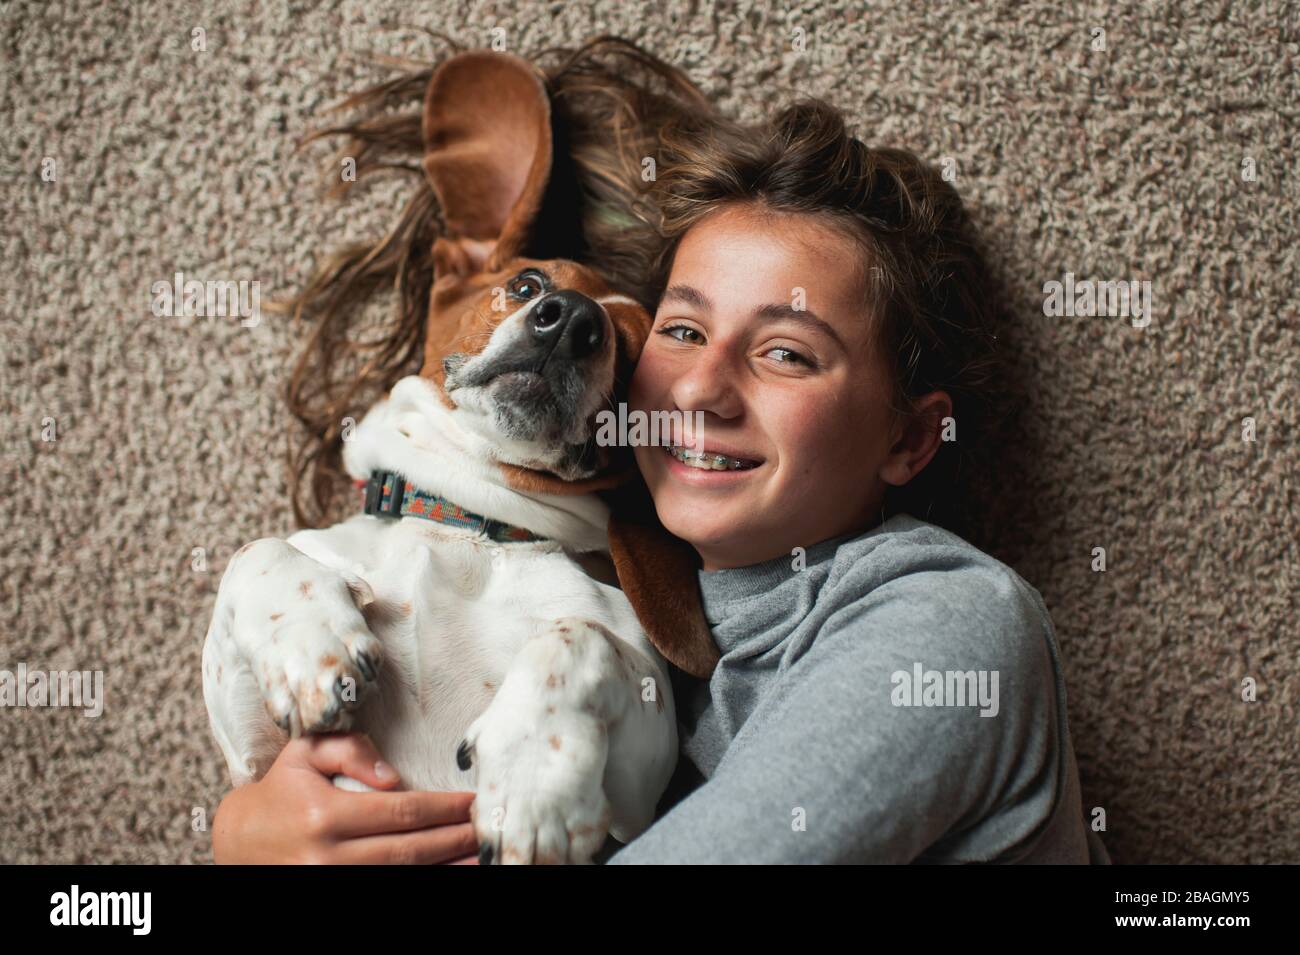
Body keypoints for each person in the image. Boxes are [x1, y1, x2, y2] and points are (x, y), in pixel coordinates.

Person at [211, 40, 1109, 865]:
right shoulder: (658, 658)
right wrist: (247, 826)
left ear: (909, 438)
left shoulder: (951, 625)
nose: (699, 391)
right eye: (680, 330)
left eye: (786, 352)